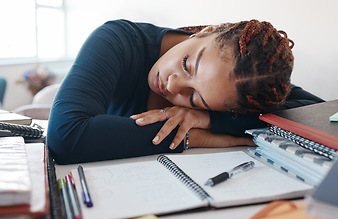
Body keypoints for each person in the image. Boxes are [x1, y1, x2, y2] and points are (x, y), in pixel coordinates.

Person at [47, 19, 324, 164]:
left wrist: (209, 119)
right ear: (207, 31)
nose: (172, 85)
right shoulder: (116, 40)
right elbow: (66, 137)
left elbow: (321, 114)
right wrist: (199, 138)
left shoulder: (244, 86)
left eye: (193, 98)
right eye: (187, 64)